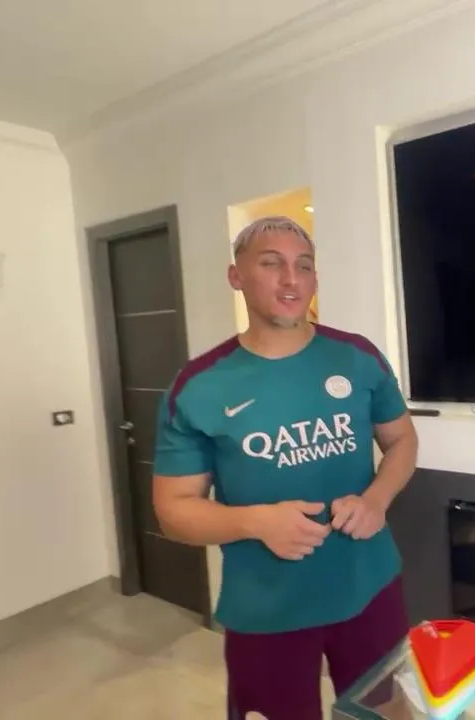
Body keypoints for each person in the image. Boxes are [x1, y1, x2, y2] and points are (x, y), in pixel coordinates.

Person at [152, 216, 418, 720]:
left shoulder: (357, 357)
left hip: (370, 586)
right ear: (236, 276)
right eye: (271, 264)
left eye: (304, 266)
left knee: (386, 712)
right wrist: (257, 522)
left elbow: (402, 439)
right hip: (267, 608)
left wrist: (377, 499)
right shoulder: (199, 386)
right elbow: (173, 511)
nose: (291, 279)